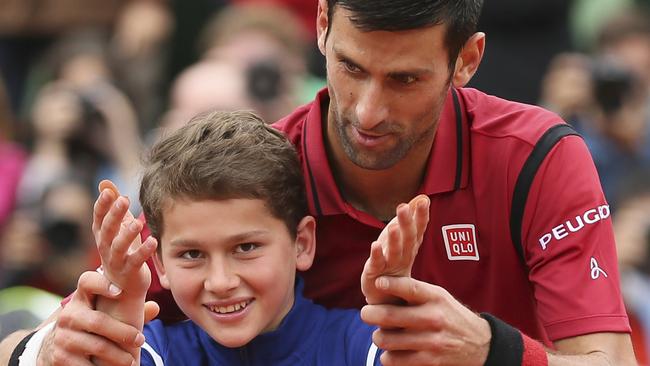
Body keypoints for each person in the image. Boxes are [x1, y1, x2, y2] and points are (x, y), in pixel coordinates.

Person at [1, 1, 638, 365]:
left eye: (405, 80)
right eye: (351, 67)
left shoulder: (537, 157)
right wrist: (49, 348)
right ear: (323, 26)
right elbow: (37, 348)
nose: (366, 111)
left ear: (467, 59)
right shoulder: (249, 174)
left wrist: (491, 352)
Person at [87, 110, 429, 365]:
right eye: (192, 254)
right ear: (160, 264)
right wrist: (112, 332)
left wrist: (404, 326)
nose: (220, 282)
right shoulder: (152, 352)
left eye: (246, 247)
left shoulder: (360, 344)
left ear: (303, 243)